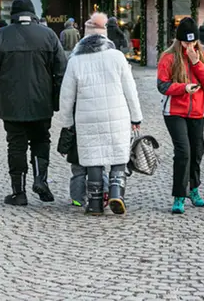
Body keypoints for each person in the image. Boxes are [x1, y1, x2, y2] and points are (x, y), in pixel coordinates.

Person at [0, 0, 67, 206]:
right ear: (33, 13)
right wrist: (55, 98)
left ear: (13, 14)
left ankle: (18, 192)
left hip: (11, 102)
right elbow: (61, 69)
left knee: (16, 144)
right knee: (41, 140)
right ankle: (40, 179)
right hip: (41, 100)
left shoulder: (0, 36)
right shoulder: (48, 35)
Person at [58, 13, 142, 215]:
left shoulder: (76, 60)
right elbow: (130, 90)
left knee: (93, 158)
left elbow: (66, 96)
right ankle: (116, 193)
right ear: (105, 35)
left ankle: (95, 203)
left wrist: (67, 122)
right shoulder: (117, 57)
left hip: (87, 117)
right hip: (117, 114)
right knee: (118, 155)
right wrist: (136, 117)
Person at [157, 17, 204, 215]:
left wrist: (196, 62)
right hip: (175, 111)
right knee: (183, 151)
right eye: (185, 42)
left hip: (198, 110)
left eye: (192, 42)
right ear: (179, 40)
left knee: (197, 150)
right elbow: (162, 85)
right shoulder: (168, 57)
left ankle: (194, 188)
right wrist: (183, 88)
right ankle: (179, 195)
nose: (189, 46)